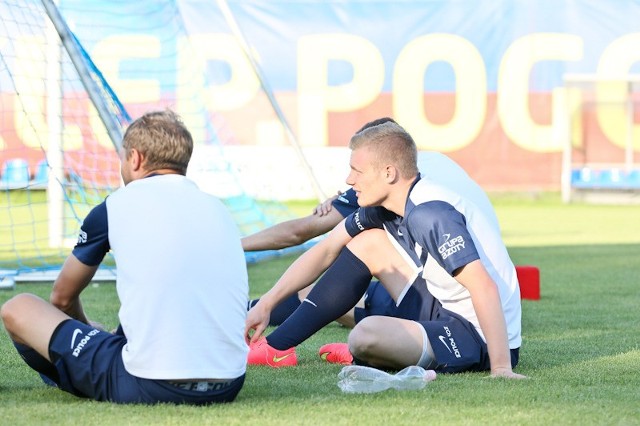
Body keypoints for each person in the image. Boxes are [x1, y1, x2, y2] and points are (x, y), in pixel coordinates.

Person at [0, 110, 249, 404]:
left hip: (150, 383)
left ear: (135, 158)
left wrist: (86, 328)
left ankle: (75, 379)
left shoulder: (114, 206)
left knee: (19, 307)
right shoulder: (219, 209)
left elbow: (62, 298)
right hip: (230, 383)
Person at [245, 120, 525, 379]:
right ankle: (276, 348)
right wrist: (267, 303)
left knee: (365, 335)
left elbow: (484, 287)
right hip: (441, 307)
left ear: (389, 173)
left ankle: (373, 351)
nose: (348, 180)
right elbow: (326, 250)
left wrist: (501, 367)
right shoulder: (380, 206)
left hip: (481, 336)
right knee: (367, 243)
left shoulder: (430, 214)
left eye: (357, 171)